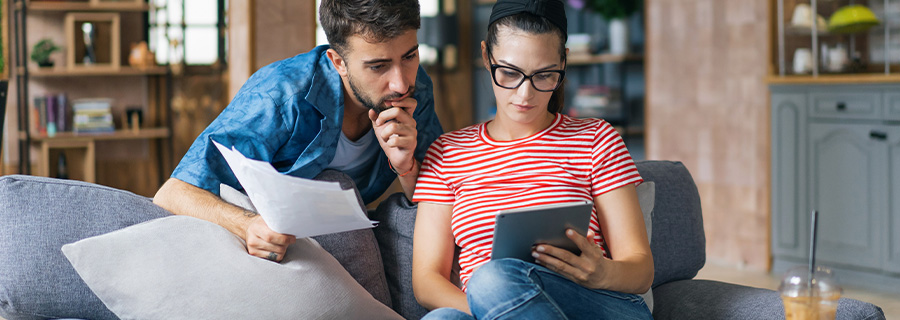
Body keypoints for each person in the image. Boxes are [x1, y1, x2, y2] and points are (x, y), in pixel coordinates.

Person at [410, 0, 653, 319]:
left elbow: (641, 269)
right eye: (509, 73)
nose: (525, 95)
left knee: (490, 278)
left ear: (563, 63)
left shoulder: (596, 138)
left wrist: (601, 273)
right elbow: (427, 281)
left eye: (544, 75)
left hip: (597, 304)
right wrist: (496, 306)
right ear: (486, 56)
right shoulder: (448, 152)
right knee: (443, 317)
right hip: (491, 306)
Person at [153, 0, 443, 263]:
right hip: (264, 243)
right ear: (338, 62)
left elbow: (437, 197)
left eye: (409, 56)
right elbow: (173, 193)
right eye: (378, 66)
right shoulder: (282, 95)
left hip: (346, 236)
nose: (400, 83)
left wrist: (406, 167)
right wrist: (247, 225)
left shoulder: (417, 89)